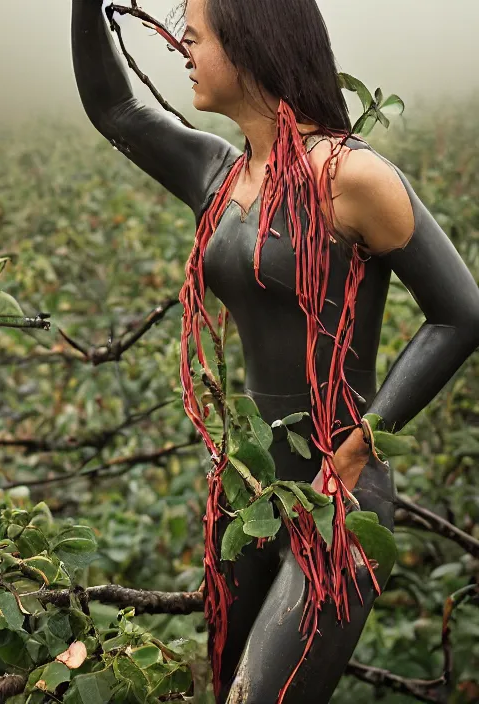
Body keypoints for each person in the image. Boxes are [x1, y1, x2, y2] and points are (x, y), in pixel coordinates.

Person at [70, 0, 479, 701]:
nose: (182, 47)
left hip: (337, 501)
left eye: (196, 37)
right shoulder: (219, 174)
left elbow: (460, 316)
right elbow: (113, 108)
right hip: (245, 493)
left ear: (252, 43)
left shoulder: (351, 176)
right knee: (226, 685)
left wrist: (355, 451)